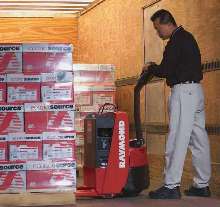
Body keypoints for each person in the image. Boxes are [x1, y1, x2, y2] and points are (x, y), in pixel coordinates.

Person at [143, 9, 211, 199]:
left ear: (166, 23)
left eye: (157, 28)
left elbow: (165, 69)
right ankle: (202, 185)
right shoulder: (188, 37)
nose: (158, 33)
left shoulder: (175, 41)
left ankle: (171, 185)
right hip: (196, 91)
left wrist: (150, 67)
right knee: (199, 139)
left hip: (183, 93)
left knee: (177, 138)